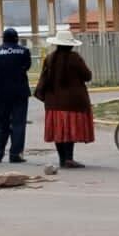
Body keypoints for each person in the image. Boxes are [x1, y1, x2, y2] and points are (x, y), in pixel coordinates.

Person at [33, 29, 93, 169]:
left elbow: (44, 79)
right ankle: (69, 158)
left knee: (58, 132)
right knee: (69, 131)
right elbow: (87, 76)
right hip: (73, 102)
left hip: (53, 102)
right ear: (71, 45)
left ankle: (62, 159)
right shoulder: (75, 58)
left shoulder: (49, 58)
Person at [0, 28, 32, 163]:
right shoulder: (24, 51)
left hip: (2, 92)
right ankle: (15, 154)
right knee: (18, 123)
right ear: (16, 38)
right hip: (19, 92)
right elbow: (27, 67)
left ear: (3, 39)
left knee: (2, 123)